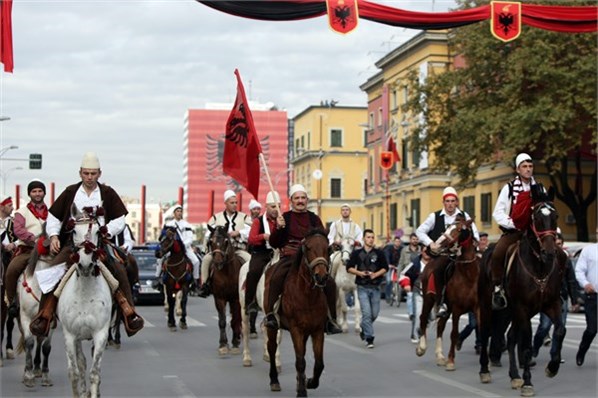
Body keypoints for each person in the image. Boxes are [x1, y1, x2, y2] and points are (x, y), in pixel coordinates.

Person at [29, 152, 144, 337]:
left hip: (100, 243)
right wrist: (54, 235)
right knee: (53, 271)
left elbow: (120, 219)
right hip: (73, 244)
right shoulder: (70, 192)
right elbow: (54, 217)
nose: (89, 177)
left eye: (93, 173)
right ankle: (44, 316)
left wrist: (107, 230)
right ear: (80, 173)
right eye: (86, 173)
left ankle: (128, 313)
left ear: (99, 173)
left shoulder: (107, 193)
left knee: (120, 269)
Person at [263, 184, 342, 335]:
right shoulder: (284, 218)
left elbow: (322, 240)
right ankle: (271, 315)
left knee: (330, 283)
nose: (300, 201)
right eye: (297, 198)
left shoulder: (314, 219)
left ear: (307, 200)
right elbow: (274, 242)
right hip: (290, 258)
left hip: (310, 260)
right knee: (275, 278)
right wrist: (278, 228)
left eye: (303, 198)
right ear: (291, 200)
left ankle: (331, 320)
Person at [490, 153, 548, 310]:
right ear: (518, 169)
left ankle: (555, 287)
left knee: (554, 252)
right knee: (497, 252)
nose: (528, 170)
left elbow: (546, 209)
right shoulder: (508, 188)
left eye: (530, 166)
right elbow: (498, 212)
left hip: (535, 232)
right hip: (515, 231)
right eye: (524, 166)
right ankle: (498, 287)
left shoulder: (540, 188)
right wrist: (512, 224)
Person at [416, 186, 479, 318]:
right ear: (443, 202)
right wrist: (431, 243)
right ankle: (441, 301)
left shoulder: (464, 215)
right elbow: (419, 231)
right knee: (440, 269)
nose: (450, 204)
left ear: (457, 202)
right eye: (447, 201)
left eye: (452, 201)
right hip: (443, 254)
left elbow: (474, 232)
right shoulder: (434, 216)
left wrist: (475, 244)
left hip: (461, 253)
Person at [531, 232, 580, 364]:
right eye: (555, 243)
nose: (556, 246)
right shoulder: (544, 259)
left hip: (561, 298)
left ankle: (555, 353)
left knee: (561, 327)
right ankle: (534, 349)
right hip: (547, 299)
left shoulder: (565, 260)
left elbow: (571, 281)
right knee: (544, 327)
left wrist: (574, 300)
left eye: (559, 244)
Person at [4, 180, 49, 317]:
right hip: (28, 250)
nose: (37, 194)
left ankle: (59, 303)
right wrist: (34, 239)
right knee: (12, 269)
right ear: (29, 193)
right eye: (34, 191)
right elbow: (18, 230)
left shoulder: (51, 212)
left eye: (40, 191)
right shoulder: (21, 212)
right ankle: (12, 302)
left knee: (66, 268)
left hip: (47, 251)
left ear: (44, 193)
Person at [198, 189, 251, 298]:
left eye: (236, 202)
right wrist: (208, 247)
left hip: (238, 249)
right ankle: (205, 285)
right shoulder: (216, 218)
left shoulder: (244, 217)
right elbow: (208, 234)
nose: (235, 205)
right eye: (232, 203)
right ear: (225, 203)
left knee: (250, 261)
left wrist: (239, 233)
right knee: (206, 260)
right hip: (220, 250)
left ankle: (250, 288)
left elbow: (250, 231)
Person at [347, 229, 388, 348]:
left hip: (375, 287)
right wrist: (359, 273)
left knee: (374, 314)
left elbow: (385, 267)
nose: (370, 239)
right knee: (366, 313)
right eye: (368, 237)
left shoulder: (379, 253)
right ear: (364, 239)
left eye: (372, 237)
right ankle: (369, 338)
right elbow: (349, 268)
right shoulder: (356, 253)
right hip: (362, 286)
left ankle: (364, 327)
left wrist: (375, 274)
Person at [245, 191, 280, 315]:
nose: (276, 209)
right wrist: (264, 236)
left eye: (279, 206)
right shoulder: (258, 222)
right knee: (254, 271)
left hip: (279, 252)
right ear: (267, 207)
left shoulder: (282, 220)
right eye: (273, 206)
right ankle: (250, 302)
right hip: (262, 253)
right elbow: (251, 239)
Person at [457, 231, 489, 354]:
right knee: (473, 323)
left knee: (482, 322)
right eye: (481, 240)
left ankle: (480, 344)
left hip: (484, 291)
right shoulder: (472, 255)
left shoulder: (489, 254)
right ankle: (461, 337)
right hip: (472, 292)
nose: (483, 242)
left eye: (485, 240)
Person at [162, 205, 200, 289]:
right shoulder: (169, 224)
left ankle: (195, 281)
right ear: (174, 213)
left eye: (180, 211)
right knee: (160, 259)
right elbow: (165, 237)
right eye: (177, 211)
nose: (179, 213)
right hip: (172, 248)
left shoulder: (187, 224)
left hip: (185, 248)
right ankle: (159, 279)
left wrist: (183, 245)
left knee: (196, 261)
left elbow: (190, 238)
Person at [574, 242, 597, 366]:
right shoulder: (589, 250)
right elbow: (579, 270)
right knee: (592, 330)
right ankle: (582, 351)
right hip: (593, 296)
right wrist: (585, 284)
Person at [404, 248, 433, 343]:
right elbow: (403, 274)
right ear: (421, 252)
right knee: (417, 314)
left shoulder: (435, 263)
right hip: (418, 292)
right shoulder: (415, 263)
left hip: (431, 294)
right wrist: (406, 284)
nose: (427, 253)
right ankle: (415, 335)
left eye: (429, 251)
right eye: (425, 251)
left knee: (433, 316)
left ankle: (426, 321)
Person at [382, 236, 403, 303]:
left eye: (399, 242)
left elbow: (402, 258)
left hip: (398, 266)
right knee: (388, 280)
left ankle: (399, 294)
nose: (397, 243)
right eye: (396, 241)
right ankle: (388, 295)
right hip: (390, 266)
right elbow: (386, 256)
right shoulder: (389, 248)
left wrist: (401, 266)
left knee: (401, 280)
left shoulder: (402, 249)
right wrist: (388, 264)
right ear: (394, 242)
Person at [0, 195, 17, 269]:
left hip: (12, 256)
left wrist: (14, 244)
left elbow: (24, 238)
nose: (12, 208)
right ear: (1, 207)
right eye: (10, 205)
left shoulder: (16, 222)